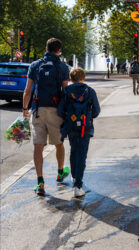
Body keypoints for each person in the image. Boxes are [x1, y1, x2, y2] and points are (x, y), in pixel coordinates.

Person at [22, 38, 70, 195]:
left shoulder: (35, 65)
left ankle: (40, 182)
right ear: (59, 50)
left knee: (38, 146)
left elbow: (28, 90)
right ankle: (60, 172)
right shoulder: (62, 66)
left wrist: (25, 108)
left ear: (46, 48)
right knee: (59, 143)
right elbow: (66, 91)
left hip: (38, 109)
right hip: (56, 110)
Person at [57, 67, 100, 197]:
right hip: (84, 127)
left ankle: (74, 177)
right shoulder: (90, 91)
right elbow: (97, 111)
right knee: (82, 155)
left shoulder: (66, 91)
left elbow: (60, 111)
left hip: (70, 126)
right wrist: (87, 116)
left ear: (70, 79)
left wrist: (68, 118)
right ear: (84, 78)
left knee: (74, 150)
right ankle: (77, 186)